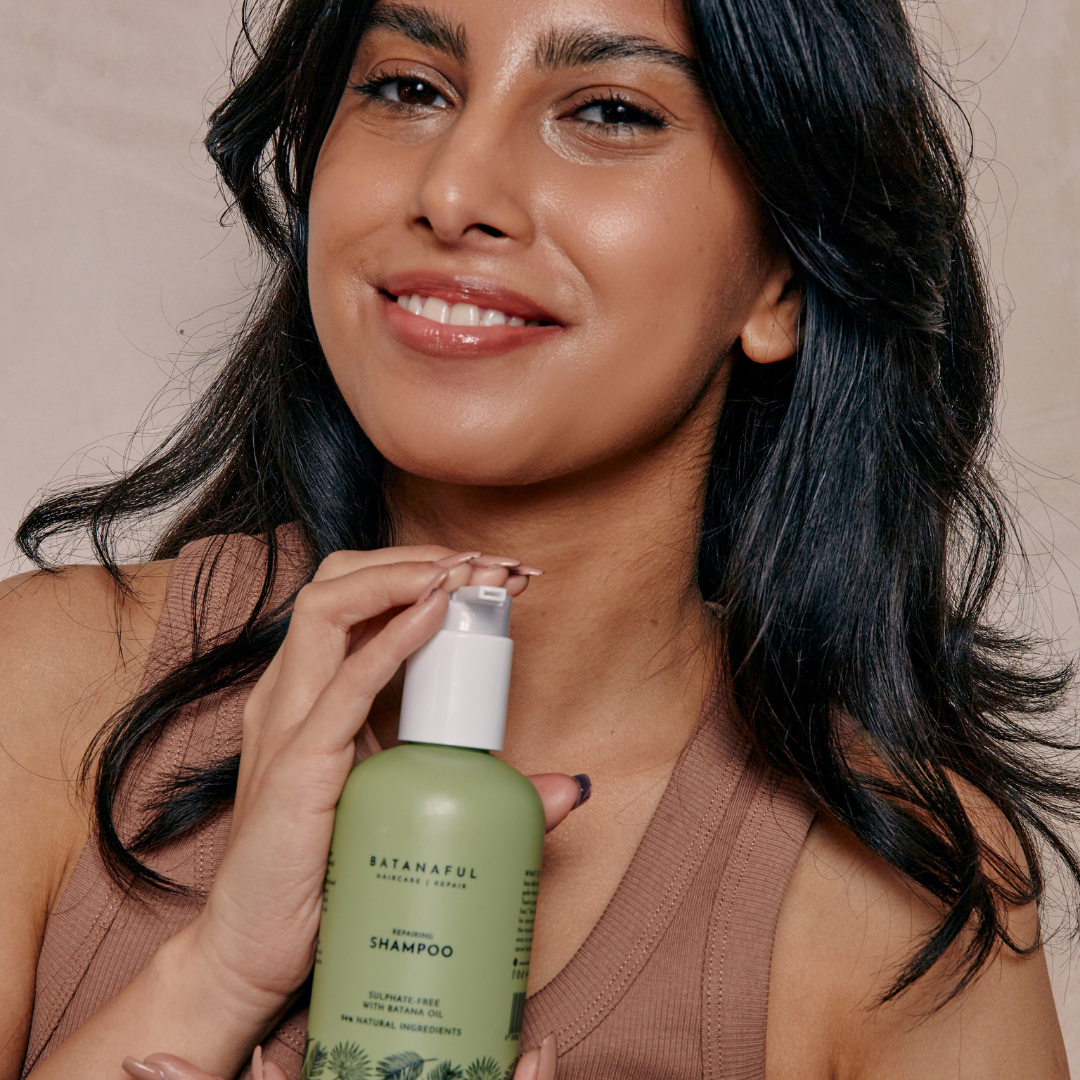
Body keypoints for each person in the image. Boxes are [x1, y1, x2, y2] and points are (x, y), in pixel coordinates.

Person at [2, 0, 1076, 1077]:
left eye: (608, 111)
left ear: (781, 279)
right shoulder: (45, 693)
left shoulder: (901, 896)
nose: (454, 191)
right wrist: (215, 980)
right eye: (409, 88)